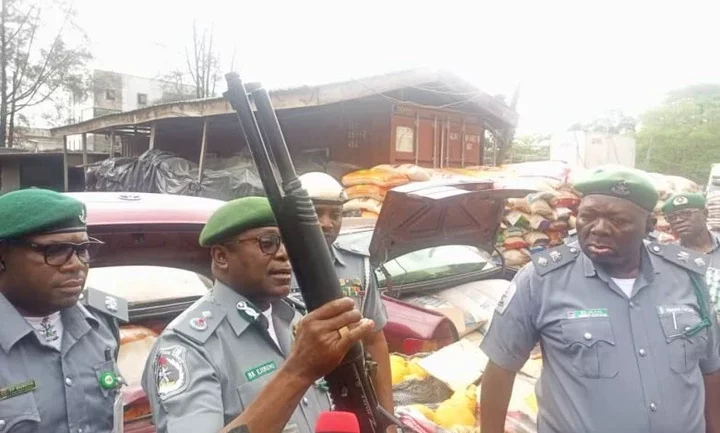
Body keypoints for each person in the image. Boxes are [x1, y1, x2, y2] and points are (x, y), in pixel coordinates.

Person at [480, 167, 720, 433]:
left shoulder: (687, 277)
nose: (599, 229)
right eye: (588, 217)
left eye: (619, 221)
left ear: (649, 226)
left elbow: (710, 369)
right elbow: (501, 367)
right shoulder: (541, 279)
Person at [141, 196, 375, 433]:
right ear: (221, 256)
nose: (284, 254)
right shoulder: (189, 347)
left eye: (286, 242)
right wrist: (299, 370)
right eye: (268, 243)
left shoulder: (297, 319)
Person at [0, 188, 128, 433]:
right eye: (55, 251)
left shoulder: (100, 326)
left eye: (82, 250)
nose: (76, 264)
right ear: (2, 256)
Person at [297, 171, 394, 431]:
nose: (327, 223)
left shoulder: (358, 267)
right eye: (316, 213)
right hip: (299, 402)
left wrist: (388, 422)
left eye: (335, 214)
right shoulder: (276, 270)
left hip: (351, 393)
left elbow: (375, 340)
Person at [662, 192, 720, 314]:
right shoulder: (666, 257)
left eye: (686, 214)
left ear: (705, 214)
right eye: (672, 217)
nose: (678, 220)